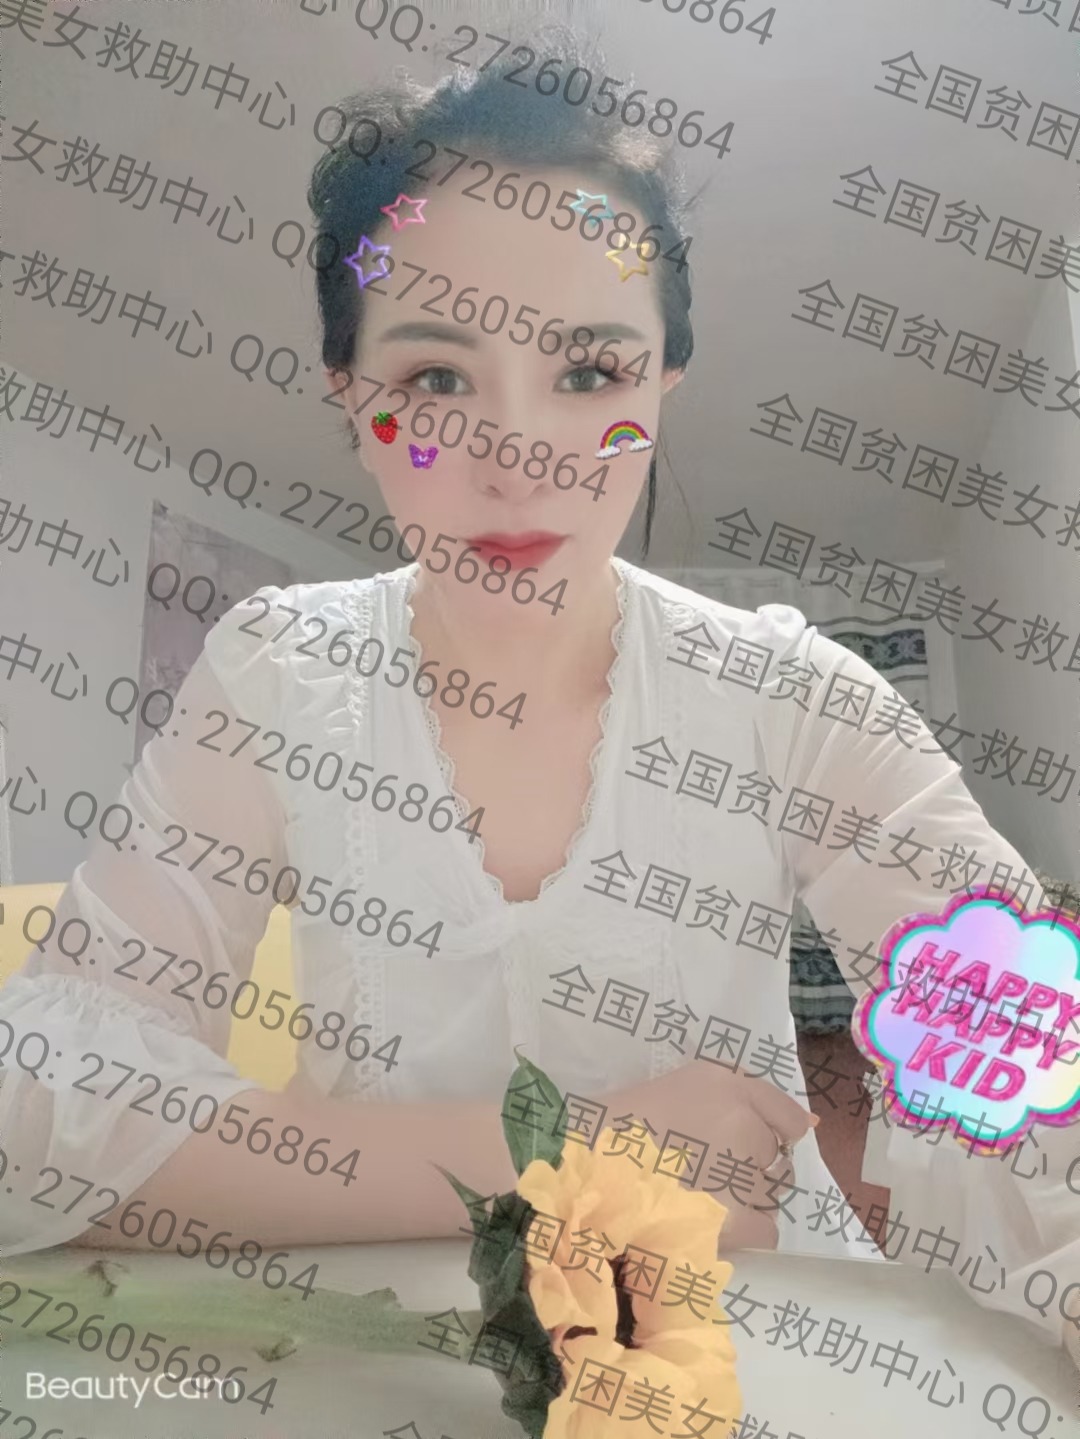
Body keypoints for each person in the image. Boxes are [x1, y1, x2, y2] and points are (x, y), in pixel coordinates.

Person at [0, 41, 1076, 1363]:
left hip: (754, 1345)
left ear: (662, 383)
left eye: (589, 372)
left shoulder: (787, 695)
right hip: (382, 1351)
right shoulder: (277, 672)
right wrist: (568, 1151)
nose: (519, 461)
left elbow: (1025, 1066)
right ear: (349, 391)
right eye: (436, 379)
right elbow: (42, 1107)